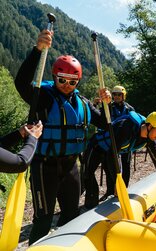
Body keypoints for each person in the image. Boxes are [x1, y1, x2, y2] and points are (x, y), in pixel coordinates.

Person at [14, 30, 112, 245]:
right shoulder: (43, 97)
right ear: (54, 76)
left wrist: (107, 103)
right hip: (44, 165)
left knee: (71, 215)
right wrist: (37, 50)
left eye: (72, 81)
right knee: (44, 218)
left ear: (78, 81)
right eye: (62, 79)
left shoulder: (83, 103)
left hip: (71, 166)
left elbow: (106, 123)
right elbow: (21, 83)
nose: (67, 85)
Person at [84, 111, 156, 209]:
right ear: (150, 126)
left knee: (115, 186)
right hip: (97, 146)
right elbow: (111, 155)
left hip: (113, 153)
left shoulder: (150, 140)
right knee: (88, 175)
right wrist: (117, 181)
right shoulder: (126, 127)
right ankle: (88, 206)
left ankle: (102, 206)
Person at [98, 85, 135, 201]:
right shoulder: (108, 107)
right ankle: (110, 191)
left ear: (123, 96)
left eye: (119, 94)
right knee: (109, 166)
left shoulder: (130, 109)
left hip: (126, 142)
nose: (116, 97)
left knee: (126, 165)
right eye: (114, 94)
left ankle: (123, 189)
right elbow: (101, 120)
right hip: (111, 140)